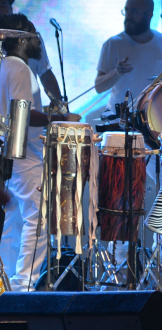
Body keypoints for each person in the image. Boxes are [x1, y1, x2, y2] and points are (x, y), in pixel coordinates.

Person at [0, 14, 80, 291]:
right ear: (21, 39)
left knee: (15, 219)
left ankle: (8, 283)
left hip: (11, 156)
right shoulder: (20, 69)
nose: (38, 41)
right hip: (24, 155)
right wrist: (58, 118)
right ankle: (25, 284)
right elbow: (20, 114)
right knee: (38, 219)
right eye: (34, 35)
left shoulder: (5, 66)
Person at [95, 0, 162, 264]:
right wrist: (116, 73)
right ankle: (120, 258)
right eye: (127, 11)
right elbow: (98, 86)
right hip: (121, 124)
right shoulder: (113, 44)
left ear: (149, 14)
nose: (129, 16)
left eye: (135, 11)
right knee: (122, 188)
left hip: (154, 124)